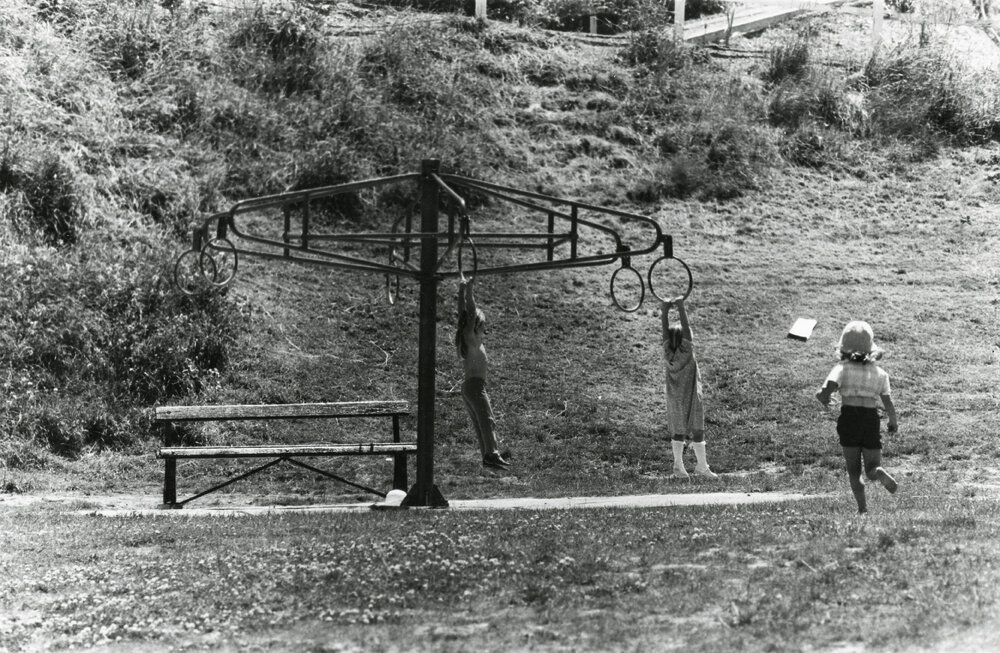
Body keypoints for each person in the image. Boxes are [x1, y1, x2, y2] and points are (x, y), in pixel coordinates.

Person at [815, 320, 899, 514]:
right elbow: (888, 404)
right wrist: (893, 423)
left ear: (842, 346)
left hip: (849, 420)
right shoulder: (880, 373)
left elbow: (826, 391)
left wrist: (823, 398)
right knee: (871, 467)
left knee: (853, 470)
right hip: (870, 420)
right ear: (871, 349)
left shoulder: (842, 368)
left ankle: (862, 508)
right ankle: (877, 473)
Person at [456, 275, 511, 470]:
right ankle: (492, 454)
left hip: (471, 387)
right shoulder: (470, 338)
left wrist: (462, 290)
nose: (486, 328)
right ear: (477, 324)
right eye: (484, 324)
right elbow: (469, 313)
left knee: (481, 423)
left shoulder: (474, 340)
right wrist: (469, 289)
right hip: (475, 386)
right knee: (487, 419)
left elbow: (462, 314)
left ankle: (488, 456)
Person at [661, 298, 717, 479]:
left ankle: (679, 466)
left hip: (675, 397)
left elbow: (665, 333)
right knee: (698, 430)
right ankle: (701, 466)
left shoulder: (667, 353)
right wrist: (681, 307)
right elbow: (685, 330)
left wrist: (665, 311)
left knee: (678, 431)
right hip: (692, 395)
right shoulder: (687, 350)